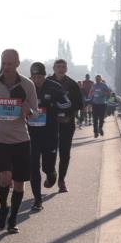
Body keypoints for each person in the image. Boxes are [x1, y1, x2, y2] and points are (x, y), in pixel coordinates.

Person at [0, 49, 38, 233]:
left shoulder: (27, 85)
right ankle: (3, 208)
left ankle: (13, 218)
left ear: (17, 64)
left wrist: (26, 110)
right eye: (3, 63)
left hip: (20, 139)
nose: (5, 67)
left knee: (19, 183)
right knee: (5, 178)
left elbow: (35, 113)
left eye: (9, 64)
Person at [26, 62, 71, 211]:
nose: (37, 80)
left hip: (50, 132)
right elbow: (14, 103)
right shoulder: (25, 87)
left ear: (44, 76)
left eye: (39, 77)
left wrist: (52, 105)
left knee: (47, 166)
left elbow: (67, 104)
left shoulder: (54, 86)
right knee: (33, 166)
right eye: (34, 77)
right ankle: (37, 200)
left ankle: (51, 173)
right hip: (31, 133)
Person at [51, 59, 85, 193]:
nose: (60, 69)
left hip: (67, 124)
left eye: (63, 66)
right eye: (58, 66)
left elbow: (78, 104)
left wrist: (69, 116)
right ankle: (51, 174)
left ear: (66, 68)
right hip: (50, 125)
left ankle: (61, 180)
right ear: (53, 68)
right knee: (50, 153)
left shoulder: (72, 84)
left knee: (65, 153)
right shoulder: (47, 83)